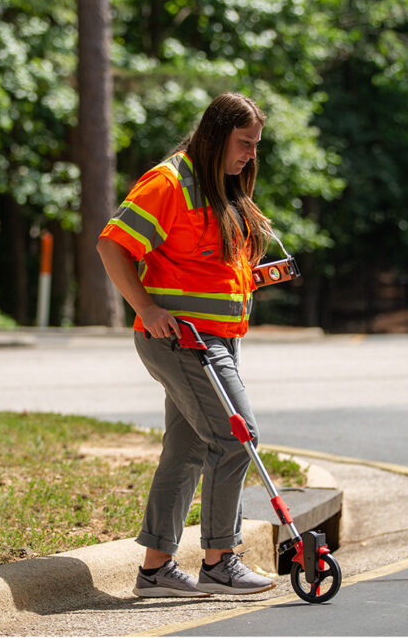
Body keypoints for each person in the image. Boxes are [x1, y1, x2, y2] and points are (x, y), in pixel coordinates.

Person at [97, 92, 277, 597]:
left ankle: (155, 570)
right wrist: (146, 308)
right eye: (243, 143)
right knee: (238, 438)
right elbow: (112, 244)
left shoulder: (221, 188)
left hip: (217, 339)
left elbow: (202, 265)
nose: (249, 154)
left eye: (255, 145)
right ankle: (221, 559)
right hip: (184, 341)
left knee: (187, 450)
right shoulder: (170, 181)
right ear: (217, 135)